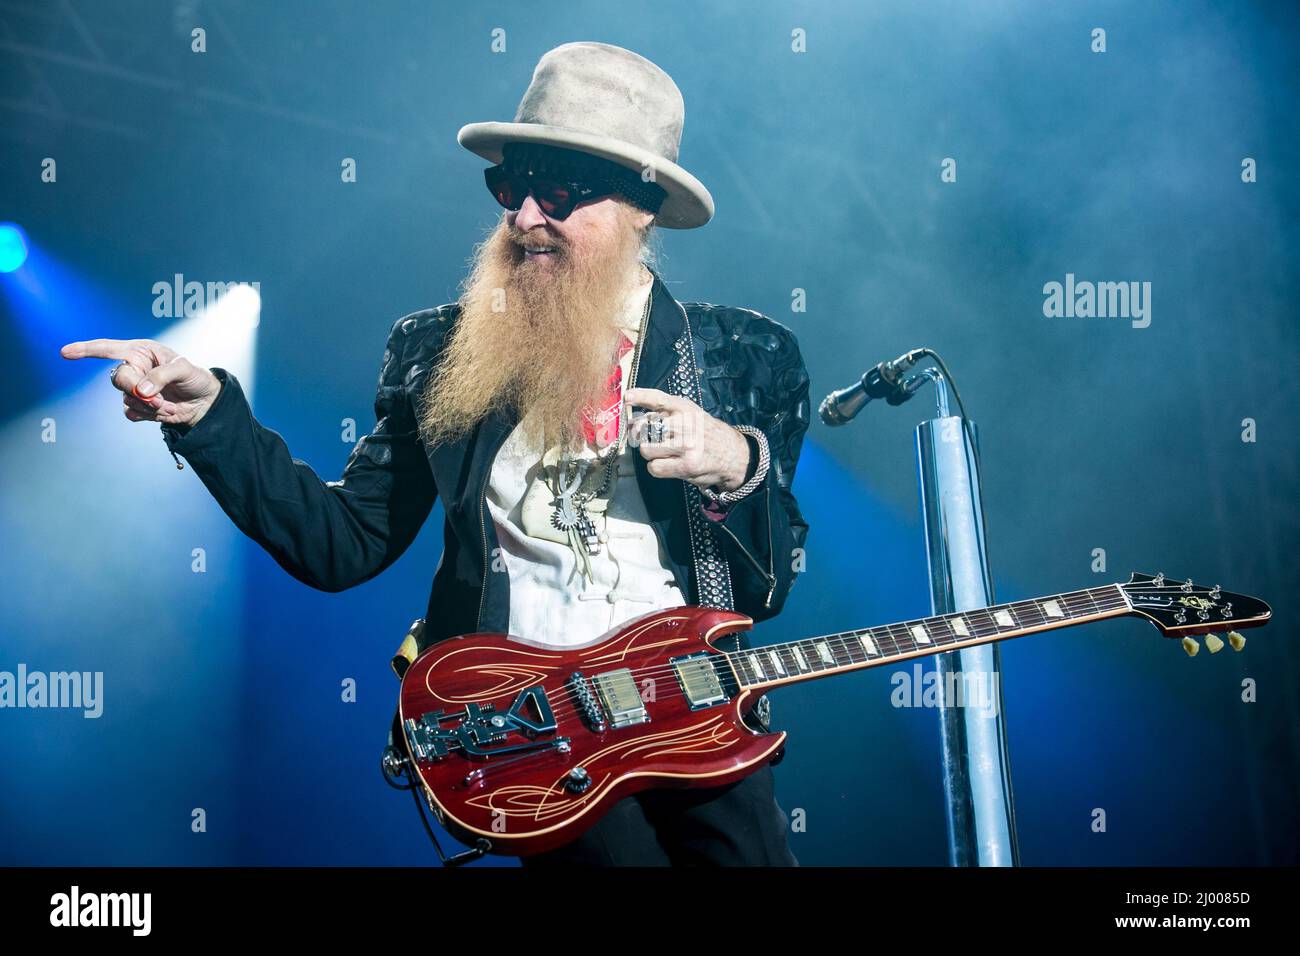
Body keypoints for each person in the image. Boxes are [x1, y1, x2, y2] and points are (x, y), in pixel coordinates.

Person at [60, 41, 811, 866]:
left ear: (641, 205)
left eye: (558, 191)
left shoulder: (743, 354)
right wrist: (210, 418)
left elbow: (766, 590)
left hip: (695, 714)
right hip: (538, 726)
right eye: (510, 186)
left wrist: (740, 467)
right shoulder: (437, 351)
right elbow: (342, 543)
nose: (526, 216)